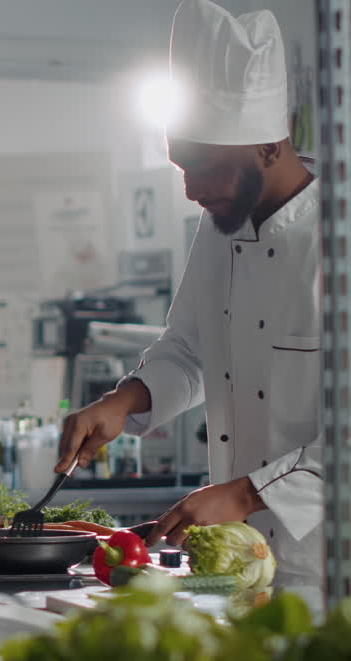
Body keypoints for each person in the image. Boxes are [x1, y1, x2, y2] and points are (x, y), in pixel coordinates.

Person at [56, 0, 322, 585]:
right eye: (181, 167)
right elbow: (190, 350)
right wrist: (126, 400)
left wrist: (247, 494)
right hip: (240, 564)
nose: (191, 190)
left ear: (269, 149)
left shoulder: (335, 243)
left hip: (328, 574)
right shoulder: (219, 226)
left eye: (205, 169)